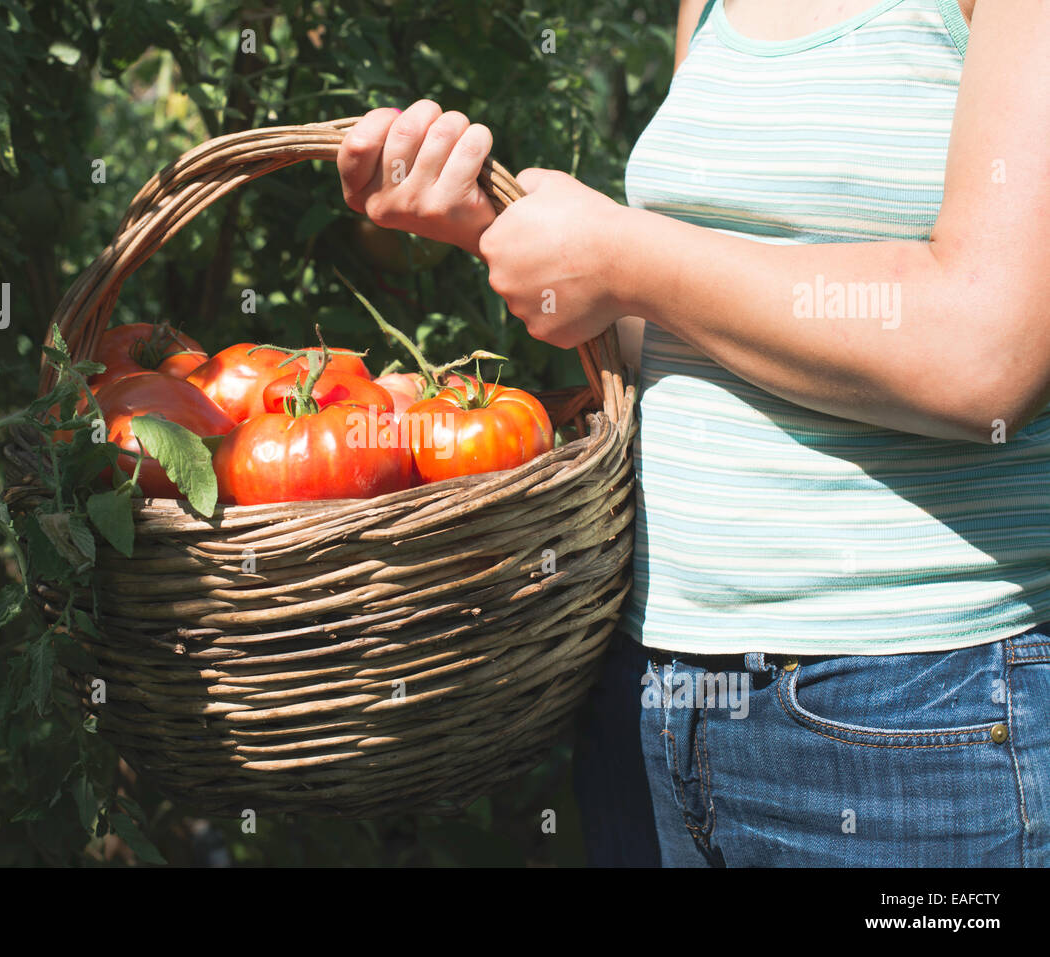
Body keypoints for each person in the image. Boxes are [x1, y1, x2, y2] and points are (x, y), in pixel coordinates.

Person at [336, 0, 1049, 866]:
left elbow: (991, 351)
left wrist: (622, 255)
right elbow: (698, 321)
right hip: (651, 685)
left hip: (911, 707)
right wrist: (505, 234)